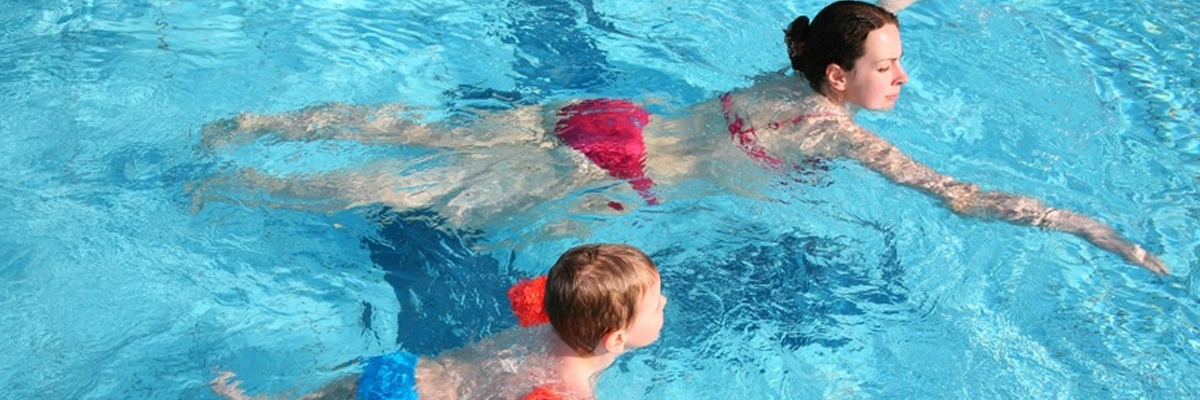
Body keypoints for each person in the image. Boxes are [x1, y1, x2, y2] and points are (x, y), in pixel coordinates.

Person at [196, 0, 1167, 274]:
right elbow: (956, 194)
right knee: (402, 189)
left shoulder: (799, 62)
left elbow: (864, 14)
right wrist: (1088, 228)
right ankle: (240, 186)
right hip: (613, 172)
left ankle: (256, 126)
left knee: (417, 131)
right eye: (891, 65)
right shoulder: (832, 127)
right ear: (840, 79)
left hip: (611, 121)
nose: (902, 78)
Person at [210, 243, 668, 400]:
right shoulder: (571, 389)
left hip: (408, 373)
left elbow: (530, 291)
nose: (665, 302)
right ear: (615, 339)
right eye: (656, 305)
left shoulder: (548, 312)